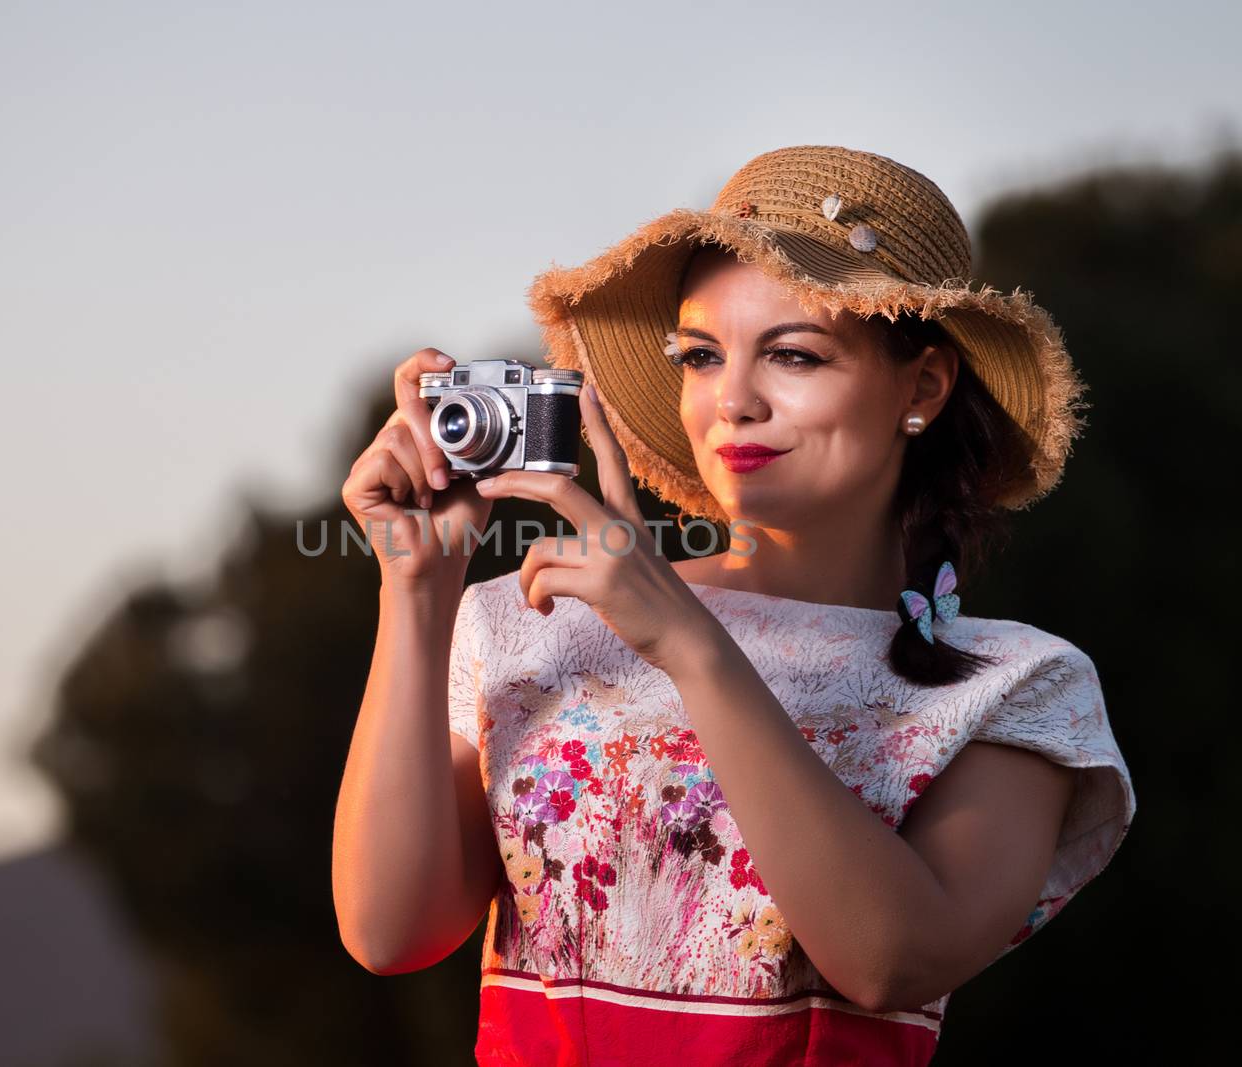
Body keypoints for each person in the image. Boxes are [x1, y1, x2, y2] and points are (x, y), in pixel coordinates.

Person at [332, 145, 1137, 1066]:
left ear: (923, 386)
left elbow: (890, 959)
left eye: (793, 355)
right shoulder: (525, 616)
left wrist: (687, 642)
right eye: (702, 356)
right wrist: (418, 591)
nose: (734, 402)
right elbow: (389, 932)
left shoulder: (1016, 688)